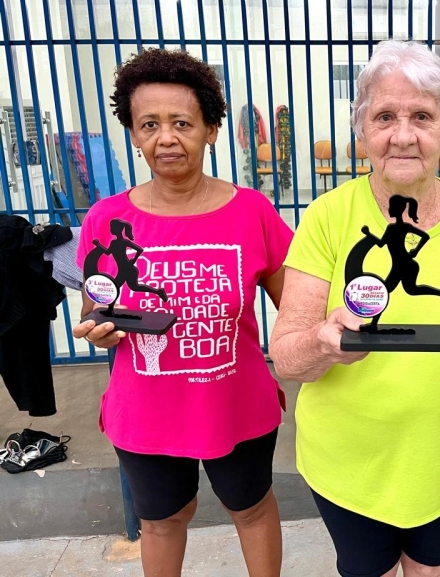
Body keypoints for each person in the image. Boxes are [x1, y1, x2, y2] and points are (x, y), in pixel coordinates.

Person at [269, 40, 440, 577]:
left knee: (431, 567)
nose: (403, 135)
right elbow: (286, 357)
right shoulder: (327, 217)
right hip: (349, 465)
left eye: (422, 117)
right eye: (384, 117)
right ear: (362, 132)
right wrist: (322, 342)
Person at [72, 48, 291, 577]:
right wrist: (98, 329)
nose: (166, 138)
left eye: (182, 123)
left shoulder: (253, 212)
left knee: (252, 509)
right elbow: (95, 304)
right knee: (162, 521)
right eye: (149, 124)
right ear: (133, 133)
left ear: (211, 130)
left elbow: (296, 310)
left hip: (235, 403)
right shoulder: (105, 218)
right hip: (146, 409)